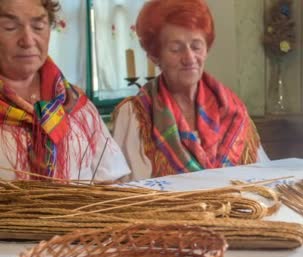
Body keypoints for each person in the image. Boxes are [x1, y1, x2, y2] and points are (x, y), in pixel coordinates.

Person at [112, 0, 268, 182]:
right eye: (176, 49)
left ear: (206, 49)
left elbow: (260, 176)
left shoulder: (233, 110)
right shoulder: (137, 115)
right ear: (155, 56)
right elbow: (129, 194)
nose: (189, 58)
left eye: (196, 46)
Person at [0, 0, 130, 181]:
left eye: (38, 26)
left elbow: (111, 179)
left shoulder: (76, 104)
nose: (28, 41)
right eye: (9, 27)